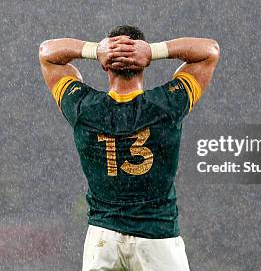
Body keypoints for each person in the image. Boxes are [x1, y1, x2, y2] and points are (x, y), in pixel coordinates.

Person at [39, 25, 219, 271]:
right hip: (157, 235)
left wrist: (95, 50)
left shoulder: (84, 109)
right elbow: (210, 51)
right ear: (144, 64)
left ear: (105, 65)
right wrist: (153, 51)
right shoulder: (166, 106)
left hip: (103, 238)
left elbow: (47, 53)